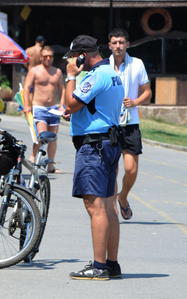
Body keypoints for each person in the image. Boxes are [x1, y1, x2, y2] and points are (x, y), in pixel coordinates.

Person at [63, 35, 124, 280]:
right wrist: (77, 114)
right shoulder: (111, 73)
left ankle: (98, 268)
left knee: (95, 206)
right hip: (109, 143)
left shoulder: (95, 76)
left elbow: (70, 103)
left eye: (73, 58)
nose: (72, 63)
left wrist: (70, 77)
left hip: (94, 148)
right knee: (108, 207)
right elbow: (94, 107)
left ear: (82, 56)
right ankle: (111, 264)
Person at [108, 28, 152, 220]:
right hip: (110, 123)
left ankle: (123, 197)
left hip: (130, 123)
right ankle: (112, 206)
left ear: (127, 44)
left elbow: (147, 92)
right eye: (115, 42)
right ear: (109, 45)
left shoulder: (137, 64)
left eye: (121, 42)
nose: (118, 46)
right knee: (112, 168)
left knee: (131, 169)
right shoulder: (104, 66)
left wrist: (135, 102)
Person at [23, 45, 65, 173]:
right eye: (45, 56)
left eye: (50, 56)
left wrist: (62, 106)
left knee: (53, 137)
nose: (48, 58)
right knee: (42, 136)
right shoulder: (34, 71)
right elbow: (26, 88)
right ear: (41, 57)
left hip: (53, 109)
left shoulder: (57, 72)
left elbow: (62, 90)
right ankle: (34, 155)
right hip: (39, 107)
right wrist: (26, 105)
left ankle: (50, 165)